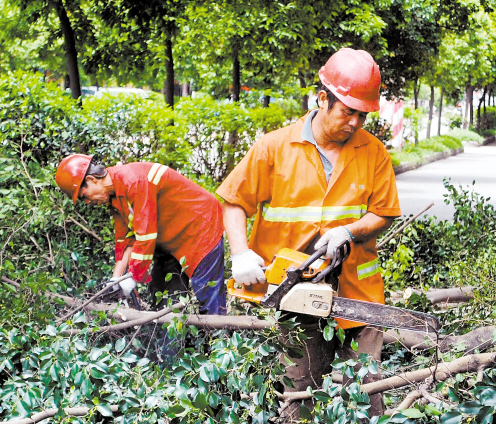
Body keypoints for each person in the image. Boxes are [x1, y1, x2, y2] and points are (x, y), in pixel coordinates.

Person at [216, 48, 401, 416]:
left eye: (362, 114)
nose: (355, 122)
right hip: (295, 295)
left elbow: (384, 213)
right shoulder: (275, 147)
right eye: (348, 111)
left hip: (357, 295)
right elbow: (233, 201)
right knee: (298, 393)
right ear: (322, 99)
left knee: (365, 392)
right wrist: (239, 252)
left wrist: (348, 231)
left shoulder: (373, 151)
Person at [55, 155, 226, 316]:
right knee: (163, 295)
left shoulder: (134, 181)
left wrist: (133, 277)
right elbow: (126, 241)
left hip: (200, 228)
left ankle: (220, 343)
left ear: (92, 180)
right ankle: (170, 346)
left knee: (207, 295)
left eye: (84, 196)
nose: (88, 202)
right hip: (169, 240)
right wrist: (116, 280)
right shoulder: (114, 198)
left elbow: (145, 234)